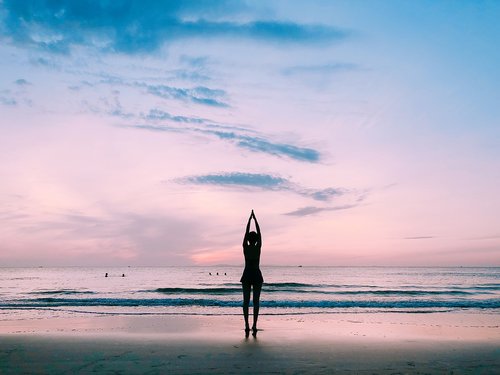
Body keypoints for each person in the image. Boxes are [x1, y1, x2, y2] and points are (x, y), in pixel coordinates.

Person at [240, 209, 263, 337]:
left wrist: (249, 220)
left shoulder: (246, 247)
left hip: (247, 274)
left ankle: (247, 325)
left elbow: (245, 234)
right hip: (256, 274)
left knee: (246, 301)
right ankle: (254, 324)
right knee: (256, 302)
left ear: (249, 239)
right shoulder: (258, 247)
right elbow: (260, 234)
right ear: (256, 240)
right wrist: (255, 220)